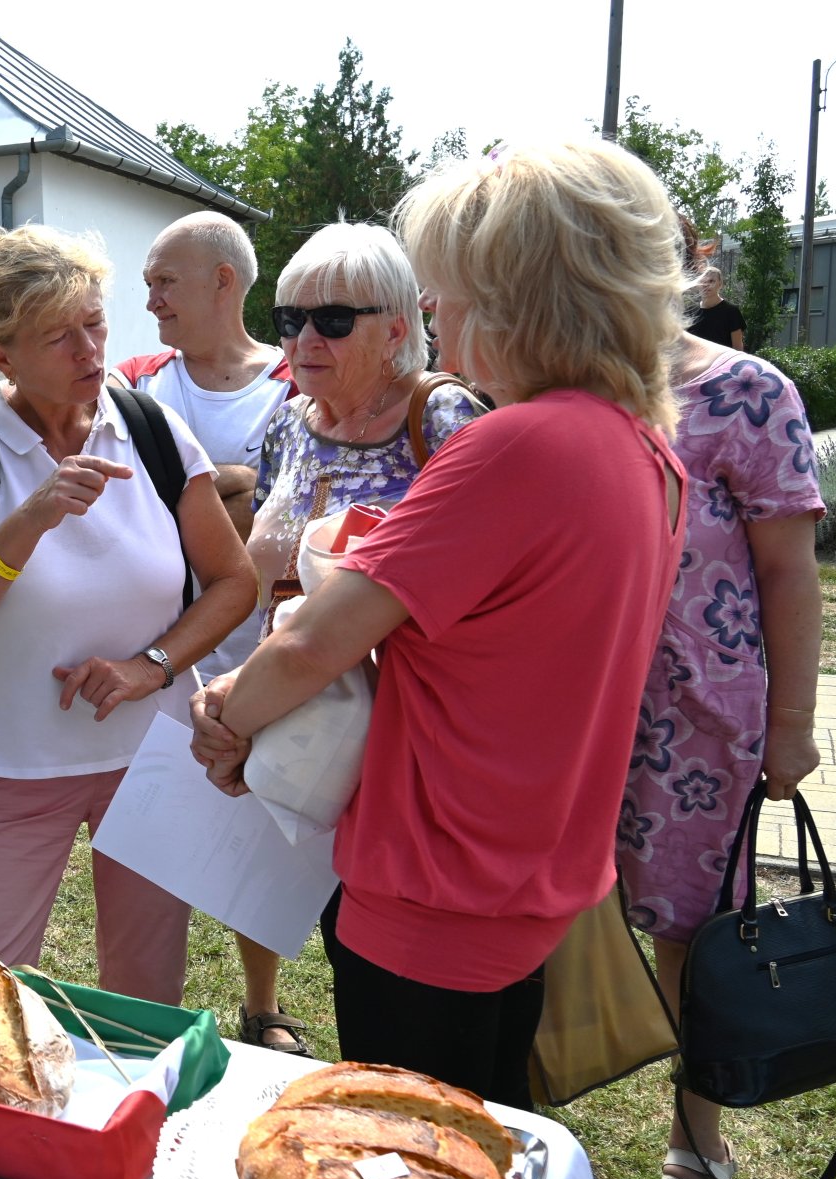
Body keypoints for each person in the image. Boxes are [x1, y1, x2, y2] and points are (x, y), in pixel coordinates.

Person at [191, 139, 689, 1111]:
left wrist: (225, 712)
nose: (437, 312)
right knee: (480, 1160)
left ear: (520, 297)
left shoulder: (514, 444)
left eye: (450, 288)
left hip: (431, 887)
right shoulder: (645, 450)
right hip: (527, 879)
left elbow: (312, 640)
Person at [0, 225, 256, 1003]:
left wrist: (150, 668)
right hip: (18, 763)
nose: (89, 351)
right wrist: (27, 521)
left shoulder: (150, 428)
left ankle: (127, 1126)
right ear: (2, 356)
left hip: (151, 758)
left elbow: (234, 583)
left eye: (95, 324)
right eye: (58, 336)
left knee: (144, 998)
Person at [226, 222, 481, 1056]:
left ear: (398, 328)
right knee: (305, 899)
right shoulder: (290, 420)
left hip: (406, 732)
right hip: (306, 711)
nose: (302, 337)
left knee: (381, 944)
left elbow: (485, 581)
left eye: (333, 320)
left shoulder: (442, 415)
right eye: (290, 314)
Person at [621, 267, 823, 1179]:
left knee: (693, 933)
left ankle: (697, 1140)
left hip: (700, 716)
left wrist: (788, 724)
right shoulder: (552, 382)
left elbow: (789, 572)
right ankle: (511, 1099)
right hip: (569, 705)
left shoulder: (749, 393)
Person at [115, 210, 292, 556]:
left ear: (222, 280)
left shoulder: (297, 387)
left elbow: (303, 512)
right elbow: (112, 493)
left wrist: (164, 490)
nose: (151, 303)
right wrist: (239, 480)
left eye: (166, 280)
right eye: (149, 284)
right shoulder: (132, 379)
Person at [686, 265, 746, 350]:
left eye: (711, 281)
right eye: (702, 281)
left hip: (723, 362)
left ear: (720, 284)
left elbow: (738, 349)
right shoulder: (690, 312)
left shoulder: (731, 312)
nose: (706, 285)